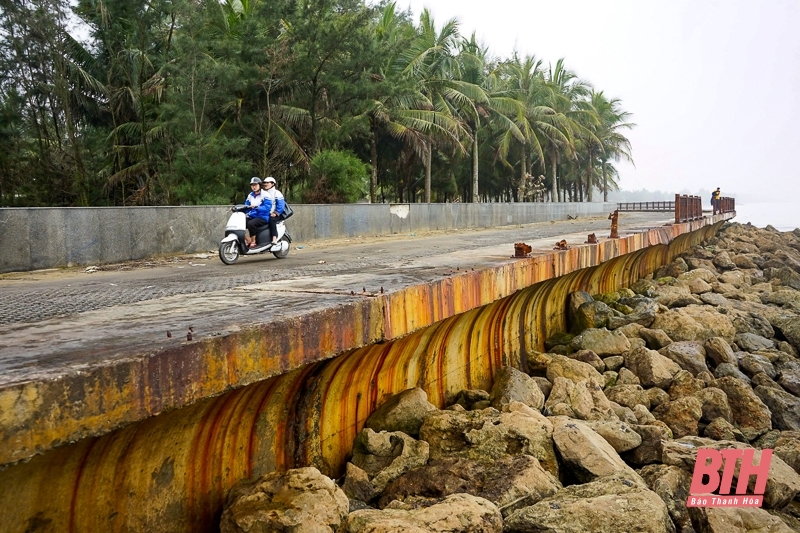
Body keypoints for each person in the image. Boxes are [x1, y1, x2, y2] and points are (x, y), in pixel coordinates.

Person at [243, 177, 270, 248]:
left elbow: (267, 207)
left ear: (259, 185)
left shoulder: (265, 195)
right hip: (252, 216)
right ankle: (248, 240)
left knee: (251, 224)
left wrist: (257, 207)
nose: (254, 187)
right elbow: (246, 206)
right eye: (252, 185)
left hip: (263, 217)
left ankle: (253, 242)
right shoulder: (250, 195)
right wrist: (237, 208)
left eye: (255, 185)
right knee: (240, 223)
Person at [261, 176, 286, 247]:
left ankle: (274, 238)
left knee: (272, 221)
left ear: (273, 184)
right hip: (266, 214)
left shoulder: (277, 193)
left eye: (267, 183)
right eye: (264, 183)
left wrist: (276, 213)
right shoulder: (264, 193)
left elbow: (281, 204)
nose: (265, 184)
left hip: (275, 215)